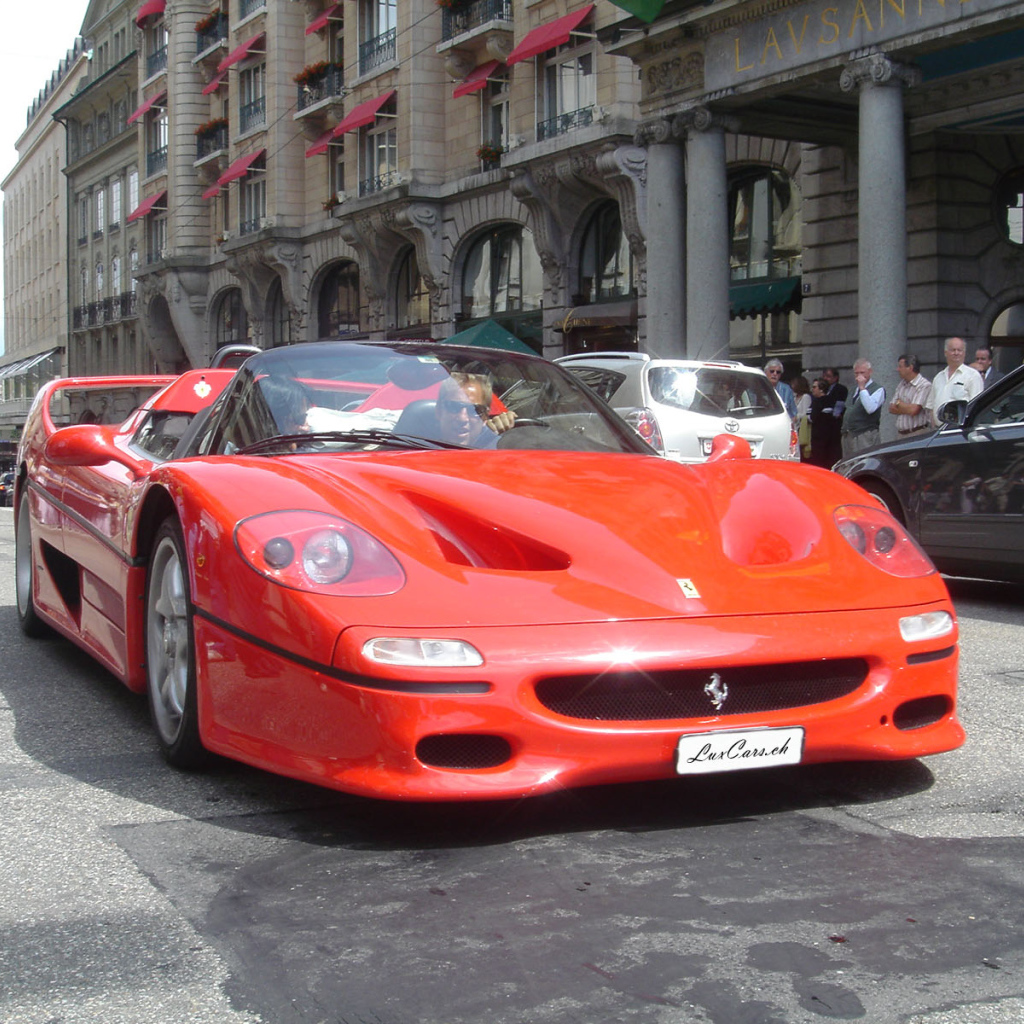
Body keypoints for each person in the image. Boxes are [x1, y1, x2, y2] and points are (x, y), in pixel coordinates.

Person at [436, 373, 516, 447]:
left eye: (475, 410)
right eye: (454, 407)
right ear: (439, 411)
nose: (462, 418)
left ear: (485, 417)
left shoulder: (500, 451)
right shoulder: (424, 443)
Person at [927, 336, 984, 427]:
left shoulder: (973, 376)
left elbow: (976, 406)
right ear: (946, 353)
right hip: (938, 431)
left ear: (964, 353)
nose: (956, 353)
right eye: (953, 350)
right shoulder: (938, 377)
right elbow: (931, 406)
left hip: (960, 431)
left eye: (959, 350)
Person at [841, 358, 886, 457]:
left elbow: (870, 408)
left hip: (865, 434)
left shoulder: (878, 389)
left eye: (862, 372)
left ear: (870, 372)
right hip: (849, 434)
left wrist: (862, 388)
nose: (859, 376)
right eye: (856, 373)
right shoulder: (853, 389)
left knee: (865, 462)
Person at [888, 353, 932, 437]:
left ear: (910, 368)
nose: (898, 369)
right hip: (901, 434)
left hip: (917, 433)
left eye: (900, 366)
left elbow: (914, 410)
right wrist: (906, 407)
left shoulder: (924, 385)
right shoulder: (901, 384)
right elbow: (891, 408)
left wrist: (899, 404)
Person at [819, 366, 847, 467]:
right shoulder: (822, 389)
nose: (826, 379)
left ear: (835, 378)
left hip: (834, 427)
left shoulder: (840, 389)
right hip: (823, 428)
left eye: (829, 376)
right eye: (824, 376)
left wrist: (832, 414)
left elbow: (838, 408)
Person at [791, 375, 812, 460]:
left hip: (801, 427)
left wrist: (797, 416)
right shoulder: (794, 397)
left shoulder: (806, 397)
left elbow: (806, 413)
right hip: (794, 426)